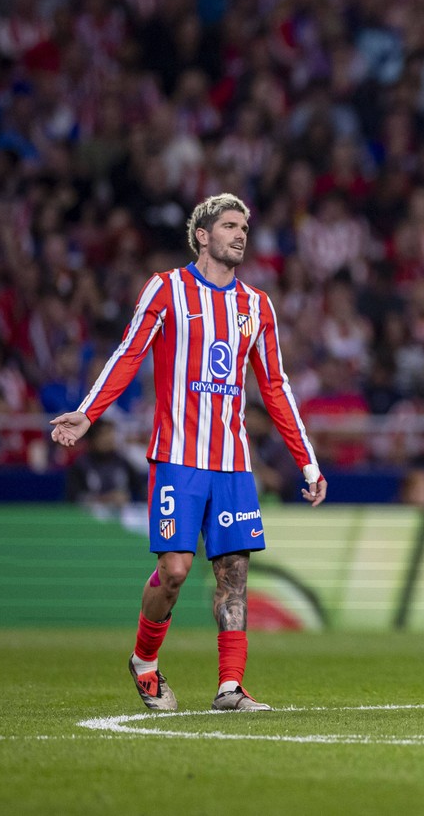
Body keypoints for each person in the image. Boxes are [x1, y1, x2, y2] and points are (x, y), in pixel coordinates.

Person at [50, 193, 327, 713]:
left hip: (233, 463)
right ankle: (145, 661)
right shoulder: (166, 289)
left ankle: (230, 686)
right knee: (175, 570)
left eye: (244, 226)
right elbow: (129, 352)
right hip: (177, 458)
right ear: (202, 235)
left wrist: (306, 461)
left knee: (234, 574)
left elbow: (275, 388)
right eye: (228, 225)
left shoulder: (257, 306)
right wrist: (89, 412)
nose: (240, 234)